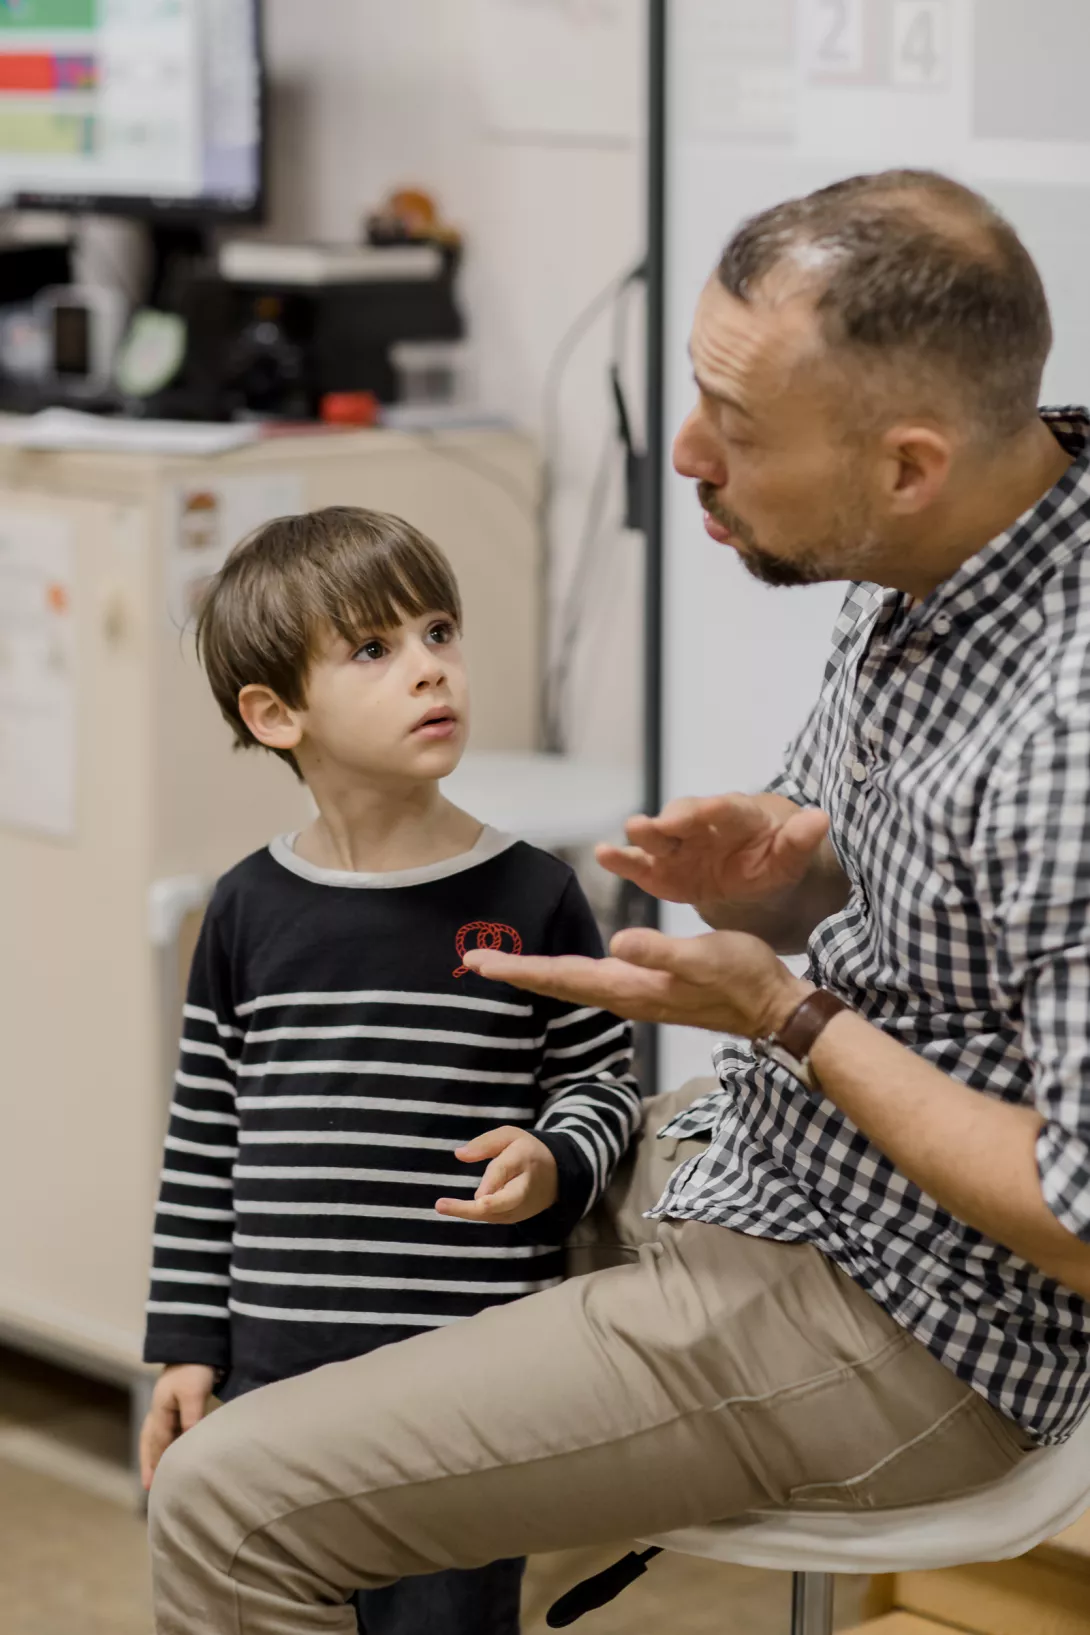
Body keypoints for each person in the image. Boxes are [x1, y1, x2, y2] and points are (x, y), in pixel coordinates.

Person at [148, 170, 1090, 1635]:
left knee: (220, 1501)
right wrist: (792, 870)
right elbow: (931, 929)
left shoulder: (1064, 726)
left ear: (906, 463)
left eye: (741, 431)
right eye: (696, 396)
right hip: (755, 1166)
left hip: (902, 1313)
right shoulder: (930, 540)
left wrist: (787, 1011)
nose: (689, 453)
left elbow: (1078, 1216)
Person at [138, 505, 640, 1635]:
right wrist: (183, 1341)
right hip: (279, 1376)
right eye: (374, 650)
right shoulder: (247, 910)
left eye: (438, 632)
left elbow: (605, 1084)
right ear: (275, 715)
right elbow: (204, 1139)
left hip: (466, 1391)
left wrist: (556, 1158)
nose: (429, 670)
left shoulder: (535, 897)